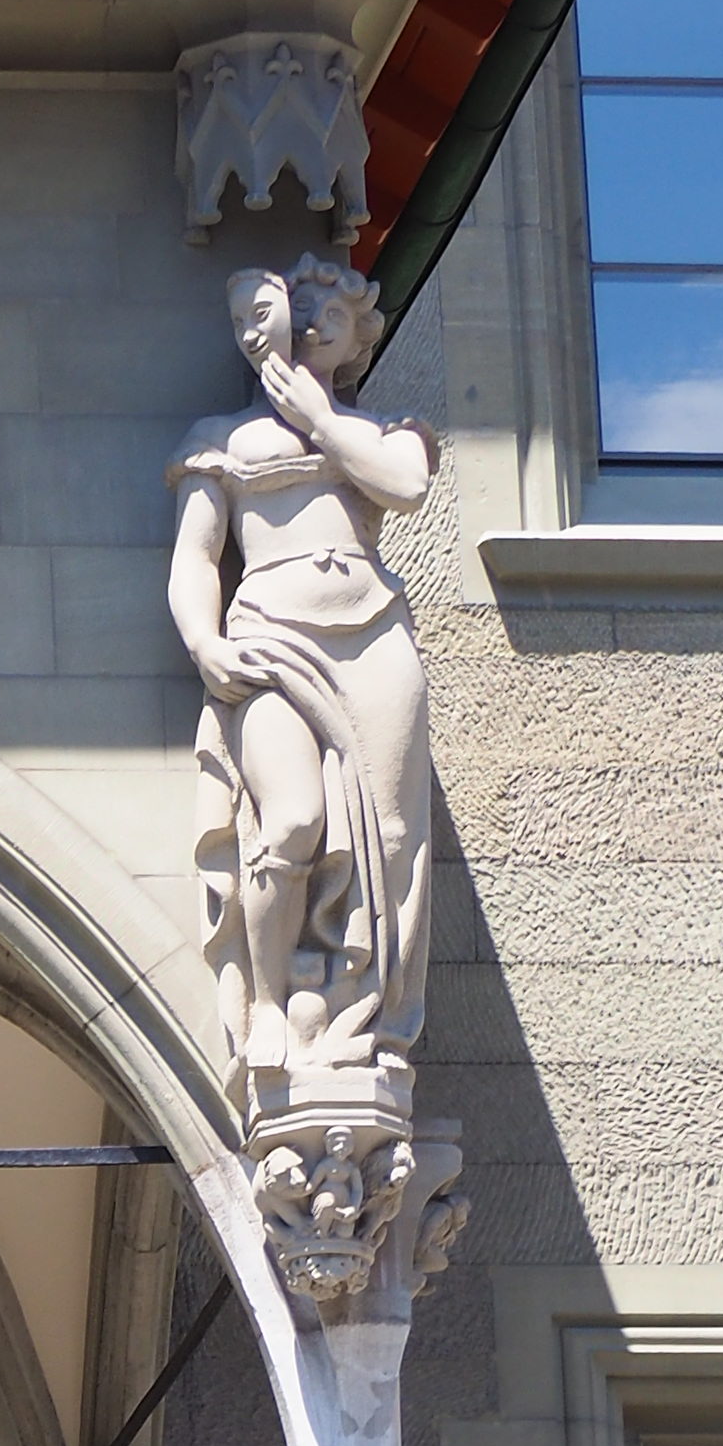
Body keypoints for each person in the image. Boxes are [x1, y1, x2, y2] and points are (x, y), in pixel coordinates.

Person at [166, 254, 433, 1116]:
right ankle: (273, 1005)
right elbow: (195, 559)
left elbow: (405, 487)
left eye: (335, 309)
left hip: (372, 640)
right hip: (271, 642)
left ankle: (369, 1017)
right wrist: (204, 644)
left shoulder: (387, 432)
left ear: (362, 336)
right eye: (301, 304)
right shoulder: (225, 437)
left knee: (391, 837)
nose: (314, 318)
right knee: (291, 822)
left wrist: (320, 416)